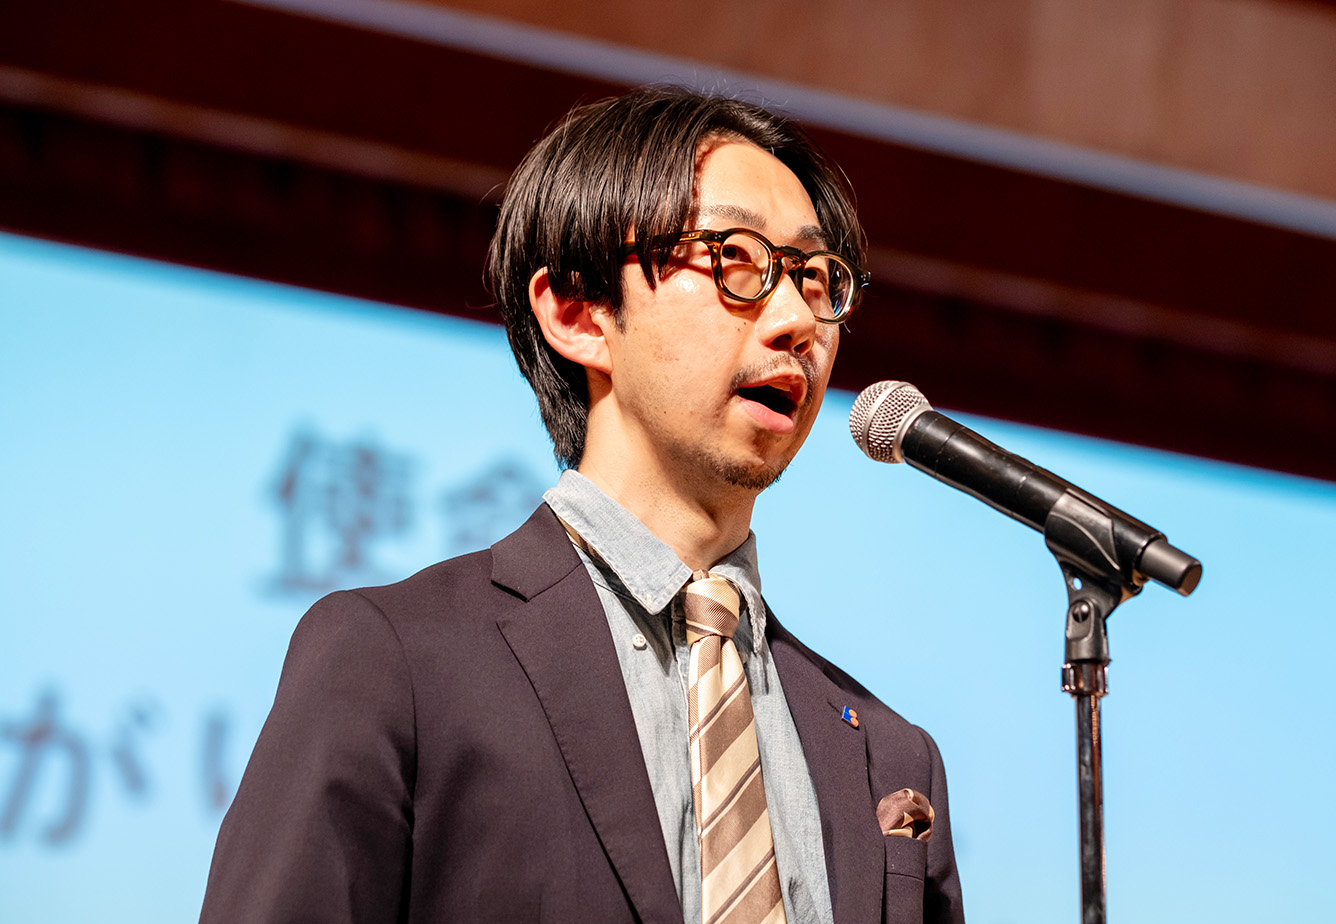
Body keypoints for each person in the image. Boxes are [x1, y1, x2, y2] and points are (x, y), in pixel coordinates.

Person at [200, 85, 963, 924]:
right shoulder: (396, 662)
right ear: (577, 313)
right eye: (736, 259)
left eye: (817, 278)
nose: (795, 320)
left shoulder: (889, 755)